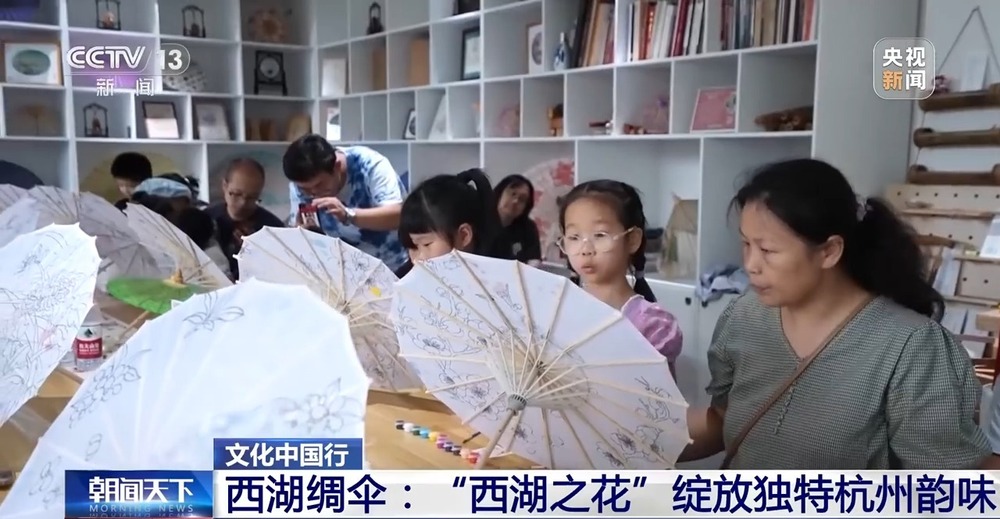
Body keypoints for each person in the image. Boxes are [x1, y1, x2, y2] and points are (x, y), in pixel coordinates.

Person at [682, 158, 992, 469]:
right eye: (746, 244)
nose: (751, 265)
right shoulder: (742, 317)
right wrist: (655, 435)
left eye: (768, 250)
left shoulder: (912, 347)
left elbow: (941, 484)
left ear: (829, 251)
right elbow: (724, 419)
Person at [558, 180, 682, 376]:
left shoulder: (652, 325)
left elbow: (658, 392)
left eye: (600, 235)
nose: (585, 249)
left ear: (632, 240)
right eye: (574, 237)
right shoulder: (558, 312)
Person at [283, 134, 407, 271]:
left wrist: (349, 215)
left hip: (393, 265)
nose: (313, 193)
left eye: (319, 184)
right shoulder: (299, 185)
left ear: (337, 166)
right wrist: (302, 232)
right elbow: (301, 231)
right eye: (304, 189)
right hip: (341, 270)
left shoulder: (370, 164)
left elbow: (397, 215)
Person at [395, 168, 507, 277]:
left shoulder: (500, 279)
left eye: (426, 244)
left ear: (464, 236)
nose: (416, 260)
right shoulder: (404, 277)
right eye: (413, 247)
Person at [205, 158, 285, 278]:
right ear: (224, 186)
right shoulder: (204, 219)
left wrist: (256, 254)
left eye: (252, 197)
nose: (242, 203)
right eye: (236, 194)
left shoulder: (274, 229)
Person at [494, 174, 542, 265]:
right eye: (513, 194)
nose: (515, 201)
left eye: (522, 199)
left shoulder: (528, 228)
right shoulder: (479, 221)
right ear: (500, 193)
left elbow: (534, 260)